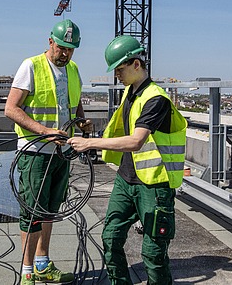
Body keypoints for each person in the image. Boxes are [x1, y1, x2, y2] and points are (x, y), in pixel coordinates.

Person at [67, 35, 187, 285]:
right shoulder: (130, 92)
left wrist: (89, 143)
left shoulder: (156, 99)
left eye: (120, 69)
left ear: (136, 64)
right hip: (126, 179)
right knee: (110, 238)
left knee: (153, 254)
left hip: (154, 185)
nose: (117, 75)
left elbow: (135, 141)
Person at [5, 19, 92, 285]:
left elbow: (72, 104)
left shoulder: (73, 69)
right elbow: (11, 109)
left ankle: (43, 265)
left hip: (62, 153)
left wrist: (82, 122)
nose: (65, 53)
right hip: (35, 153)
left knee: (50, 211)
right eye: (62, 47)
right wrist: (44, 131)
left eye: (71, 49)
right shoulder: (31, 66)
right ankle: (27, 271)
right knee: (32, 212)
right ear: (50, 42)